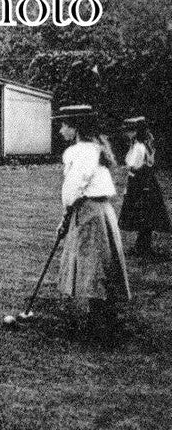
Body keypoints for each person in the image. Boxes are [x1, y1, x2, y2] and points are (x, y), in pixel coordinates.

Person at [54, 104, 131, 340]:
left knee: (93, 265)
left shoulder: (79, 151)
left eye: (64, 125)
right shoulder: (95, 148)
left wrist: (67, 214)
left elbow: (74, 188)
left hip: (90, 213)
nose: (60, 131)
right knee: (100, 264)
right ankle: (105, 320)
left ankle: (99, 326)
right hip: (100, 211)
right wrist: (66, 219)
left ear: (75, 127)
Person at [118, 116, 170, 258]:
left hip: (140, 184)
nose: (127, 134)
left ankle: (143, 247)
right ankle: (141, 246)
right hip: (145, 183)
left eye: (130, 131)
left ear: (136, 132)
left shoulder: (139, 147)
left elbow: (133, 166)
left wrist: (129, 188)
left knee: (144, 214)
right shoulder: (142, 146)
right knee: (145, 215)